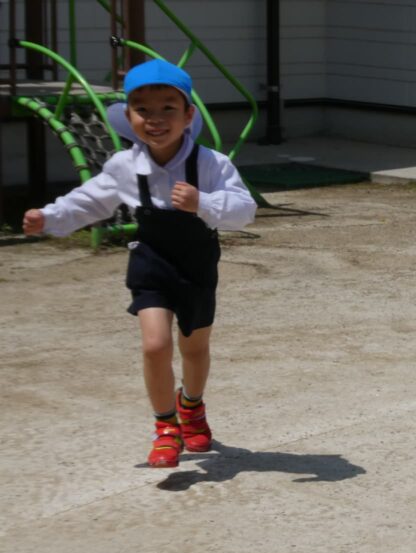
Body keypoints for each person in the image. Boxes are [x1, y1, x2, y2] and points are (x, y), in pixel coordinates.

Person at [23, 59, 256, 468]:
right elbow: (89, 201)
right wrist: (49, 218)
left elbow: (244, 210)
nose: (155, 118)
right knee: (155, 345)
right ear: (129, 117)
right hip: (151, 262)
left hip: (197, 264)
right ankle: (166, 427)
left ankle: (192, 407)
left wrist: (203, 202)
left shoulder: (211, 164)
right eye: (142, 109)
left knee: (194, 348)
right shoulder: (124, 165)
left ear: (188, 115)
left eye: (168, 108)